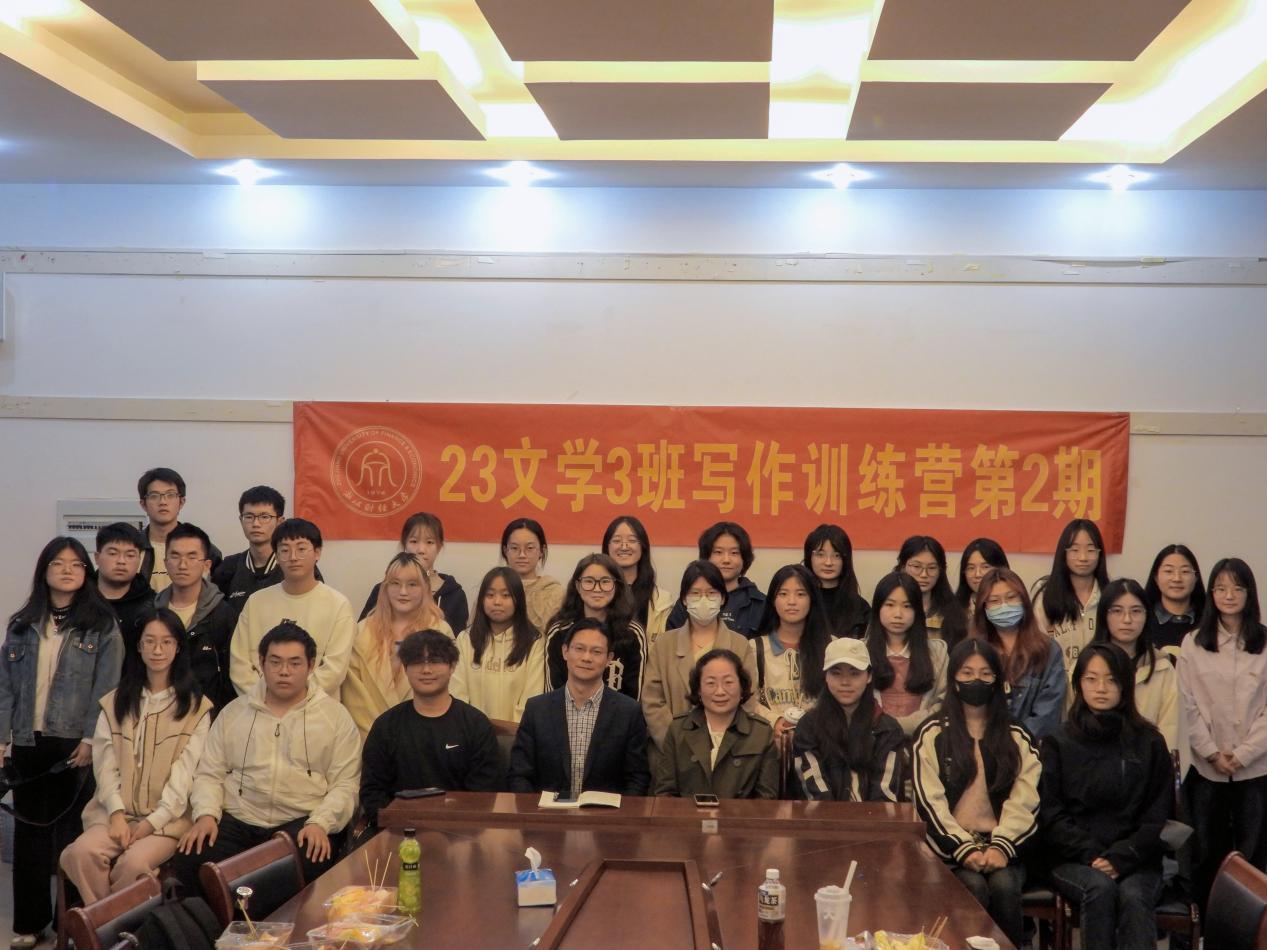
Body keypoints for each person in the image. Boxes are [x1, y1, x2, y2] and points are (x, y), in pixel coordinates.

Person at [0, 537, 123, 947]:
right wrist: (2, 739)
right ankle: (29, 924)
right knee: (30, 838)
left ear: (86, 572)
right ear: (44, 571)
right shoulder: (22, 624)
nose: (67, 570)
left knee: (71, 838)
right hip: (28, 741)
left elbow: (107, 689)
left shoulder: (101, 625)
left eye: (75, 564)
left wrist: (90, 739)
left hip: (74, 744)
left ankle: (70, 925)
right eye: (58, 563)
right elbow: (5, 687)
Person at [173, 622, 360, 888]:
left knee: (309, 859)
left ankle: (258, 913)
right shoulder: (234, 713)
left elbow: (346, 784)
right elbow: (209, 774)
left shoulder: (335, 717)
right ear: (261, 663)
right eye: (275, 662)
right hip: (239, 818)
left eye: (294, 663)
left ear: (311, 665)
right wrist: (206, 815)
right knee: (190, 857)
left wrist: (321, 823)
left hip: (302, 822)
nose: (284, 671)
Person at [60, 608, 213, 903]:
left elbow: (185, 775)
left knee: (133, 864)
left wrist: (152, 823)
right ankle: (106, 924)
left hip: (167, 821)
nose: (157, 650)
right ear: (139, 646)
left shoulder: (196, 708)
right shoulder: (114, 702)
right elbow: (105, 767)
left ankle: (103, 923)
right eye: (150, 641)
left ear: (178, 647)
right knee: (81, 853)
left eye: (166, 642)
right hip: (113, 814)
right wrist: (117, 815)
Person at [1042, 643, 1171, 950]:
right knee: (1099, 888)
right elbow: (1051, 813)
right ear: (1079, 684)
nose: (1101, 688)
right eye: (1091, 679)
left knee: (1134, 895)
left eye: (1111, 680)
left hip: (1136, 858)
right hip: (1075, 858)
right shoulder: (1058, 741)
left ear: (1126, 685)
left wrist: (1120, 857)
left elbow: (1158, 815)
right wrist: (1094, 856)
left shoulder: (1150, 742)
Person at [913, 639, 1040, 949]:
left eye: (985, 674)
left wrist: (1001, 846)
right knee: (972, 886)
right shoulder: (931, 733)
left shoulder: (1017, 735)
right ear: (954, 679)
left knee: (1004, 885)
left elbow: (1026, 799)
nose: (976, 681)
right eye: (967, 673)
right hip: (949, 850)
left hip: (1005, 849)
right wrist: (963, 848)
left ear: (997, 679)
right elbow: (929, 803)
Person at [1177, 557, 1267, 908]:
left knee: (1253, 861)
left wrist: (1243, 754)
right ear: (1211, 593)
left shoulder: (1264, 642)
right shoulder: (1193, 643)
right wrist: (1212, 752)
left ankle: (1250, 933)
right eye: (1221, 588)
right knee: (1205, 858)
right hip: (1206, 770)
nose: (1229, 596)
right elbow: (1187, 705)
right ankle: (1203, 932)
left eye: (1237, 588)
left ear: (1249, 593)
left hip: (1256, 770)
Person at [360, 631, 502, 827]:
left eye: (435, 661)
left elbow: (483, 796)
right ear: (405, 668)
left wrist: (445, 830)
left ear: (452, 666)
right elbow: (372, 792)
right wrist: (403, 825)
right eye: (417, 662)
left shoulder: (476, 724)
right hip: (399, 831)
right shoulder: (386, 726)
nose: (426, 670)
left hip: (461, 833)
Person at [508, 619, 651, 797]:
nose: (586, 658)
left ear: (609, 659)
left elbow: (637, 778)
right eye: (579, 649)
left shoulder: (628, 712)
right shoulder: (537, 709)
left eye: (596, 652)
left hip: (606, 813)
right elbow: (520, 774)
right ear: (565, 651)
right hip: (546, 812)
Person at [229, 518, 356, 697]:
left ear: (317, 552)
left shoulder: (338, 605)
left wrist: (295, 699)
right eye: (285, 550)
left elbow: (334, 669)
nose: (293, 557)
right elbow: (239, 664)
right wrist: (266, 698)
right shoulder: (256, 601)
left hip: (316, 707)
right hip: (260, 705)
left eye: (301, 549)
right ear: (276, 556)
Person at [641, 560, 759, 754]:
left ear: (723, 598)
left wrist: (722, 748)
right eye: (695, 593)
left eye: (711, 593)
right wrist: (678, 745)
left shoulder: (739, 644)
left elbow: (748, 700)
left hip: (728, 754)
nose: (703, 599)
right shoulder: (664, 644)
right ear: (684, 599)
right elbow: (652, 701)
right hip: (673, 753)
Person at [342, 554, 453, 740]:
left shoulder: (441, 632)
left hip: (425, 738)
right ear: (384, 588)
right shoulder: (362, 632)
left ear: (425, 588)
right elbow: (354, 699)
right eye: (395, 583)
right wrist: (380, 738)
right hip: (370, 739)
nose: (403, 592)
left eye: (412, 584)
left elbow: (448, 691)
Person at [653, 649, 779, 799]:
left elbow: (766, 798)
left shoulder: (761, 733)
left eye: (728, 682)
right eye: (711, 683)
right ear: (698, 690)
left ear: (741, 687)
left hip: (741, 814)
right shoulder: (678, 729)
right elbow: (665, 793)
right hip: (686, 813)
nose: (720, 691)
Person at [793, 637, 903, 802]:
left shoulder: (888, 729)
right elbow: (814, 788)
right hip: (821, 815)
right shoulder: (808, 726)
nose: (845, 682)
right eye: (836, 673)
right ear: (826, 677)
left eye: (854, 673)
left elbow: (884, 792)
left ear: (869, 676)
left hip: (875, 816)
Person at [971, 568, 1066, 740]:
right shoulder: (972, 650)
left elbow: (1048, 713)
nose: (1004, 606)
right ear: (983, 607)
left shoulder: (1049, 650)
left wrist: (1016, 741)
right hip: (983, 743)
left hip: (1032, 746)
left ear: (1023, 600)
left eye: (1011, 597)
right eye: (994, 600)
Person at [155, 523, 236, 713]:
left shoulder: (224, 614)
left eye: (192, 557)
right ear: (166, 562)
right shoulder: (152, 612)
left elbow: (231, 677)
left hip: (209, 716)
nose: (182, 565)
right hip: (159, 715)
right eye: (175, 556)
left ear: (207, 565)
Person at [1091, 578, 1179, 752]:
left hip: (1150, 763)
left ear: (1147, 616)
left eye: (1136, 611)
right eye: (1117, 611)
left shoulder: (1163, 669)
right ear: (1104, 615)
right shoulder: (1085, 668)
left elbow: (1170, 729)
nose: (1127, 619)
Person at [544, 554, 648, 700]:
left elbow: (634, 698)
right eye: (589, 581)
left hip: (618, 713)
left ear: (616, 586)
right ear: (577, 586)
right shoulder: (559, 632)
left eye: (605, 581)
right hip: (565, 712)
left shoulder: (632, 633)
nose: (597, 589)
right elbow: (552, 696)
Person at [752, 564, 833, 751]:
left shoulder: (831, 646)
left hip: (821, 747)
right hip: (769, 748)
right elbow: (747, 699)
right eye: (783, 594)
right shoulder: (754, 648)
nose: (791, 601)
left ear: (812, 599)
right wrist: (774, 721)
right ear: (773, 600)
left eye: (800, 594)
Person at [450, 567, 545, 724]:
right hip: (471, 732)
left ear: (518, 599)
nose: (497, 602)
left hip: (517, 733)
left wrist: (512, 731)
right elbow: (457, 692)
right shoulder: (465, 639)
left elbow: (532, 697)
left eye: (506, 595)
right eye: (490, 595)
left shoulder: (534, 642)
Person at [212, 486, 321, 622]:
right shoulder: (228, 567)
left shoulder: (297, 566)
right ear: (241, 520)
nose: (256, 524)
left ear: (280, 521)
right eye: (249, 517)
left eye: (264, 517)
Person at [866, 572, 948, 736]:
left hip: (925, 738)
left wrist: (905, 725)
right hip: (871, 740)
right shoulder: (860, 652)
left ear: (917, 611)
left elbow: (945, 702)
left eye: (907, 606)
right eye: (890, 605)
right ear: (878, 608)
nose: (898, 614)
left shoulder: (938, 652)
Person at [358, 512, 468, 634]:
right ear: (404, 544)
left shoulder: (455, 595)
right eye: (414, 541)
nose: (421, 550)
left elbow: (457, 641)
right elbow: (364, 634)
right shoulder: (383, 590)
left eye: (429, 542)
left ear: (439, 546)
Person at [663, 522, 767, 637]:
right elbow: (672, 640)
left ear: (744, 558)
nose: (726, 560)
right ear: (706, 556)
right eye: (718, 552)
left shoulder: (760, 604)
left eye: (734, 553)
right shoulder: (691, 599)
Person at [1033, 518, 1110, 668]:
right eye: (1075, 550)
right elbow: (1037, 646)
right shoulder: (1046, 595)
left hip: (1100, 679)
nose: (1083, 558)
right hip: (1057, 680)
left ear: (1100, 554)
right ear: (1064, 553)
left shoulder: (1110, 595)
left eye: (1090, 550)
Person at [136, 467, 220, 593]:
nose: (163, 502)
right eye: (154, 496)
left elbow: (216, 594)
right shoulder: (131, 548)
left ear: (181, 502)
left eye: (170, 495)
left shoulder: (207, 550)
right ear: (143, 504)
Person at [603, 515, 673, 643]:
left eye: (632, 540)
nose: (624, 547)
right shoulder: (595, 593)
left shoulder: (662, 600)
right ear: (607, 547)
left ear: (643, 547)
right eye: (617, 541)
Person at [897, 536, 968, 649]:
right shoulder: (889, 607)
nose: (924, 574)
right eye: (916, 566)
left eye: (931, 568)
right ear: (902, 567)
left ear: (941, 571)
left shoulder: (954, 613)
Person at [93, 522, 154, 652]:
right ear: (97, 557)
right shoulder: (79, 599)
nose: (121, 561)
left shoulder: (153, 605)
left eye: (130, 555)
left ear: (139, 560)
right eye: (113, 553)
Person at [802, 524, 870, 638]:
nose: (828, 562)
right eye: (820, 555)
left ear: (846, 559)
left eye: (836, 555)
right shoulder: (799, 601)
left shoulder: (860, 608)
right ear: (809, 558)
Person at [501, 518, 563, 635]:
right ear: (505, 550)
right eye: (514, 548)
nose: (522, 555)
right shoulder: (493, 588)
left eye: (529, 548)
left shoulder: (555, 593)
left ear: (541, 551)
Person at [1143, 544, 1206, 657]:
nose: (1177, 578)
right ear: (1156, 577)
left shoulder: (1209, 620)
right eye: (1168, 571)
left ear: (1196, 577)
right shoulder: (1142, 619)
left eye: (1185, 571)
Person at [956, 538, 1010, 616]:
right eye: (971, 568)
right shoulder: (954, 610)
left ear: (1002, 568)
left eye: (985, 567)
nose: (977, 574)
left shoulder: (1013, 607)